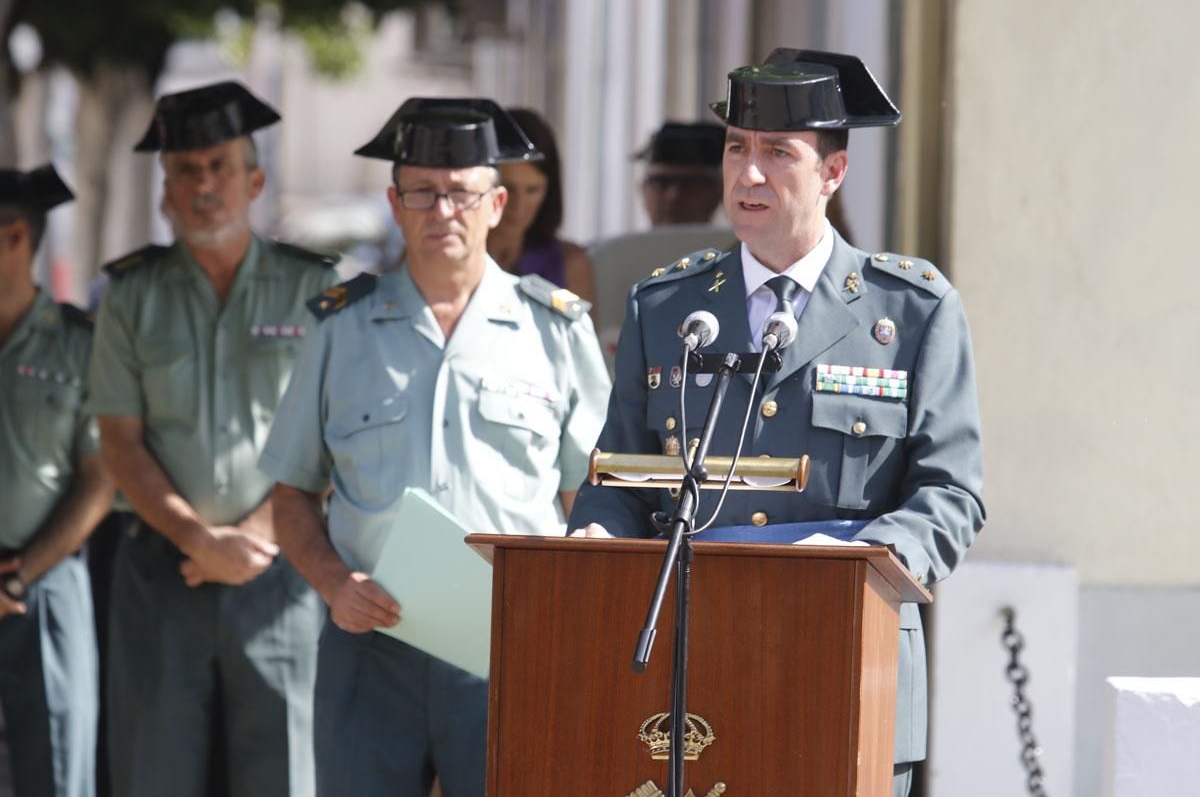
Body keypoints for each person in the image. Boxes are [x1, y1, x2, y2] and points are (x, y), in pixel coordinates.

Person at [568, 49, 985, 797]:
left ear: (833, 172)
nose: (748, 174)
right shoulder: (666, 308)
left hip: (850, 655)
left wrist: (868, 560)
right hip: (693, 663)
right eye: (737, 149)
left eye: (778, 154)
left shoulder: (911, 310)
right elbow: (619, 474)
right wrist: (594, 539)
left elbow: (952, 495)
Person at [259, 97, 610, 797]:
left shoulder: (557, 331)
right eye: (422, 191)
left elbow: (595, 499)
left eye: (461, 193)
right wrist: (335, 585)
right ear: (394, 202)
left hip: (513, 647)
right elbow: (290, 493)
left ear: (498, 203)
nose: (441, 210)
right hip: (371, 647)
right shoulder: (341, 327)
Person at [86, 81, 340, 797]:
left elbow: (333, 433)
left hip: (285, 571)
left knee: (285, 775)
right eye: (185, 171)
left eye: (219, 167)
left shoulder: (314, 290)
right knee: (153, 772)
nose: (204, 185)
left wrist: (257, 535)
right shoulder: (129, 295)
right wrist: (201, 540)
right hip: (163, 571)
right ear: (165, 191)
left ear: (254, 180)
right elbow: (118, 441)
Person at [0, 165, 114, 797]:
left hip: (44, 584)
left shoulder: (77, 345)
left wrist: (19, 575)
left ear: (16, 238)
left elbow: (99, 479)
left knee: (57, 774)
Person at [486, 107, 597, 307]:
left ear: (549, 190)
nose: (518, 206)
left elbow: (580, 336)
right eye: (508, 188)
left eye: (533, 190)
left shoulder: (570, 264)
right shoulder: (446, 255)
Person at [635, 121, 727, 226]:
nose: (674, 195)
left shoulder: (744, 242)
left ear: (718, 192)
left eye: (691, 184)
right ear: (642, 188)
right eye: (661, 183)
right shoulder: (623, 242)